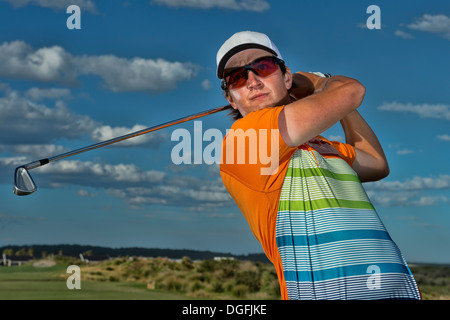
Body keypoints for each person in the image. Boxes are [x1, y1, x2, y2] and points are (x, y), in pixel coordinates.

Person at [217, 31, 421, 300]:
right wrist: (319, 82)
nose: (253, 82)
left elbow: (376, 163)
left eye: (262, 68)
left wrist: (333, 99)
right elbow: (352, 90)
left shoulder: (317, 145)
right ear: (231, 99)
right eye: (237, 77)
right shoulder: (244, 140)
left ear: (286, 77)